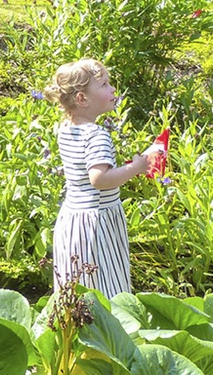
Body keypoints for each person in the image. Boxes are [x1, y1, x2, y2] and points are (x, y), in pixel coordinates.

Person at [43, 59, 155, 298]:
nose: (113, 89)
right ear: (82, 99)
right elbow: (99, 179)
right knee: (105, 285)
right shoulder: (96, 135)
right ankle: (109, 331)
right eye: (104, 85)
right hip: (97, 223)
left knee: (76, 284)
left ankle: (73, 329)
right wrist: (135, 168)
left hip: (72, 220)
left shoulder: (65, 128)